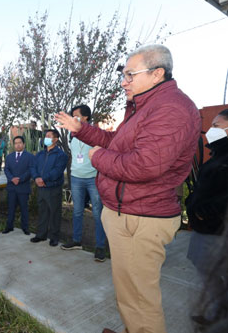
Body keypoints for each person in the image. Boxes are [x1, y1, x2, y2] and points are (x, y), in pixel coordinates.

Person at [55, 44, 201, 333]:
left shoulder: (170, 109)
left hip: (142, 216)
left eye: (130, 75)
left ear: (157, 73)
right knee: (130, 292)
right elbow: (116, 141)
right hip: (130, 210)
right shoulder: (145, 107)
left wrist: (97, 157)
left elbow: (144, 165)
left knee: (139, 298)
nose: (124, 82)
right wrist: (81, 129)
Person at [186, 109, 228, 325]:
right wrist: (192, 204)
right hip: (205, 229)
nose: (211, 130)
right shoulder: (217, 156)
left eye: (217, 126)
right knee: (204, 267)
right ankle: (217, 310)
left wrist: (204, 212)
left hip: (217, 231)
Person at [60, 105, 107, 262]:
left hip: (93, 178)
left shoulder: (95, 134)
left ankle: (100, 247)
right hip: (76, 178)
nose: (73, 118)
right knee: (77, 211)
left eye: (76, 116)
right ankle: (76, 240)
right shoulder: (72, 135)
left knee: (97, 213)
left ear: (85, 117)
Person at [30, 129, 68, 247]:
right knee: (42, 211)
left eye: (48, 136)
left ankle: (54, 237)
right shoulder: (40, 154)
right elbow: (33, 167)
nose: (45, 138)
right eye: (45, 136)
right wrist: (36, 178)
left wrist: (43, 179)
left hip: (52, 188)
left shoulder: (61, 155)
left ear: (55, 139)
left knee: (54, 212)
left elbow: (57, 171)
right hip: (41, 187)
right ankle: (41, 235)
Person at [3, 136, 33, 235]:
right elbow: (6, 169)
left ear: (24, 144)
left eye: (20, 143)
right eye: (16, 143)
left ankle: (25, 227)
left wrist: (20, 179)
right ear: (14, 145)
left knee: (24, 208)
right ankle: (9, 226)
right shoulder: (9, 156)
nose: (18, 145)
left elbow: (30, 170)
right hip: (12, 187)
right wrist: (12, 178)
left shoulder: (30, 157)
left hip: (23, 186)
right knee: (11, 208)